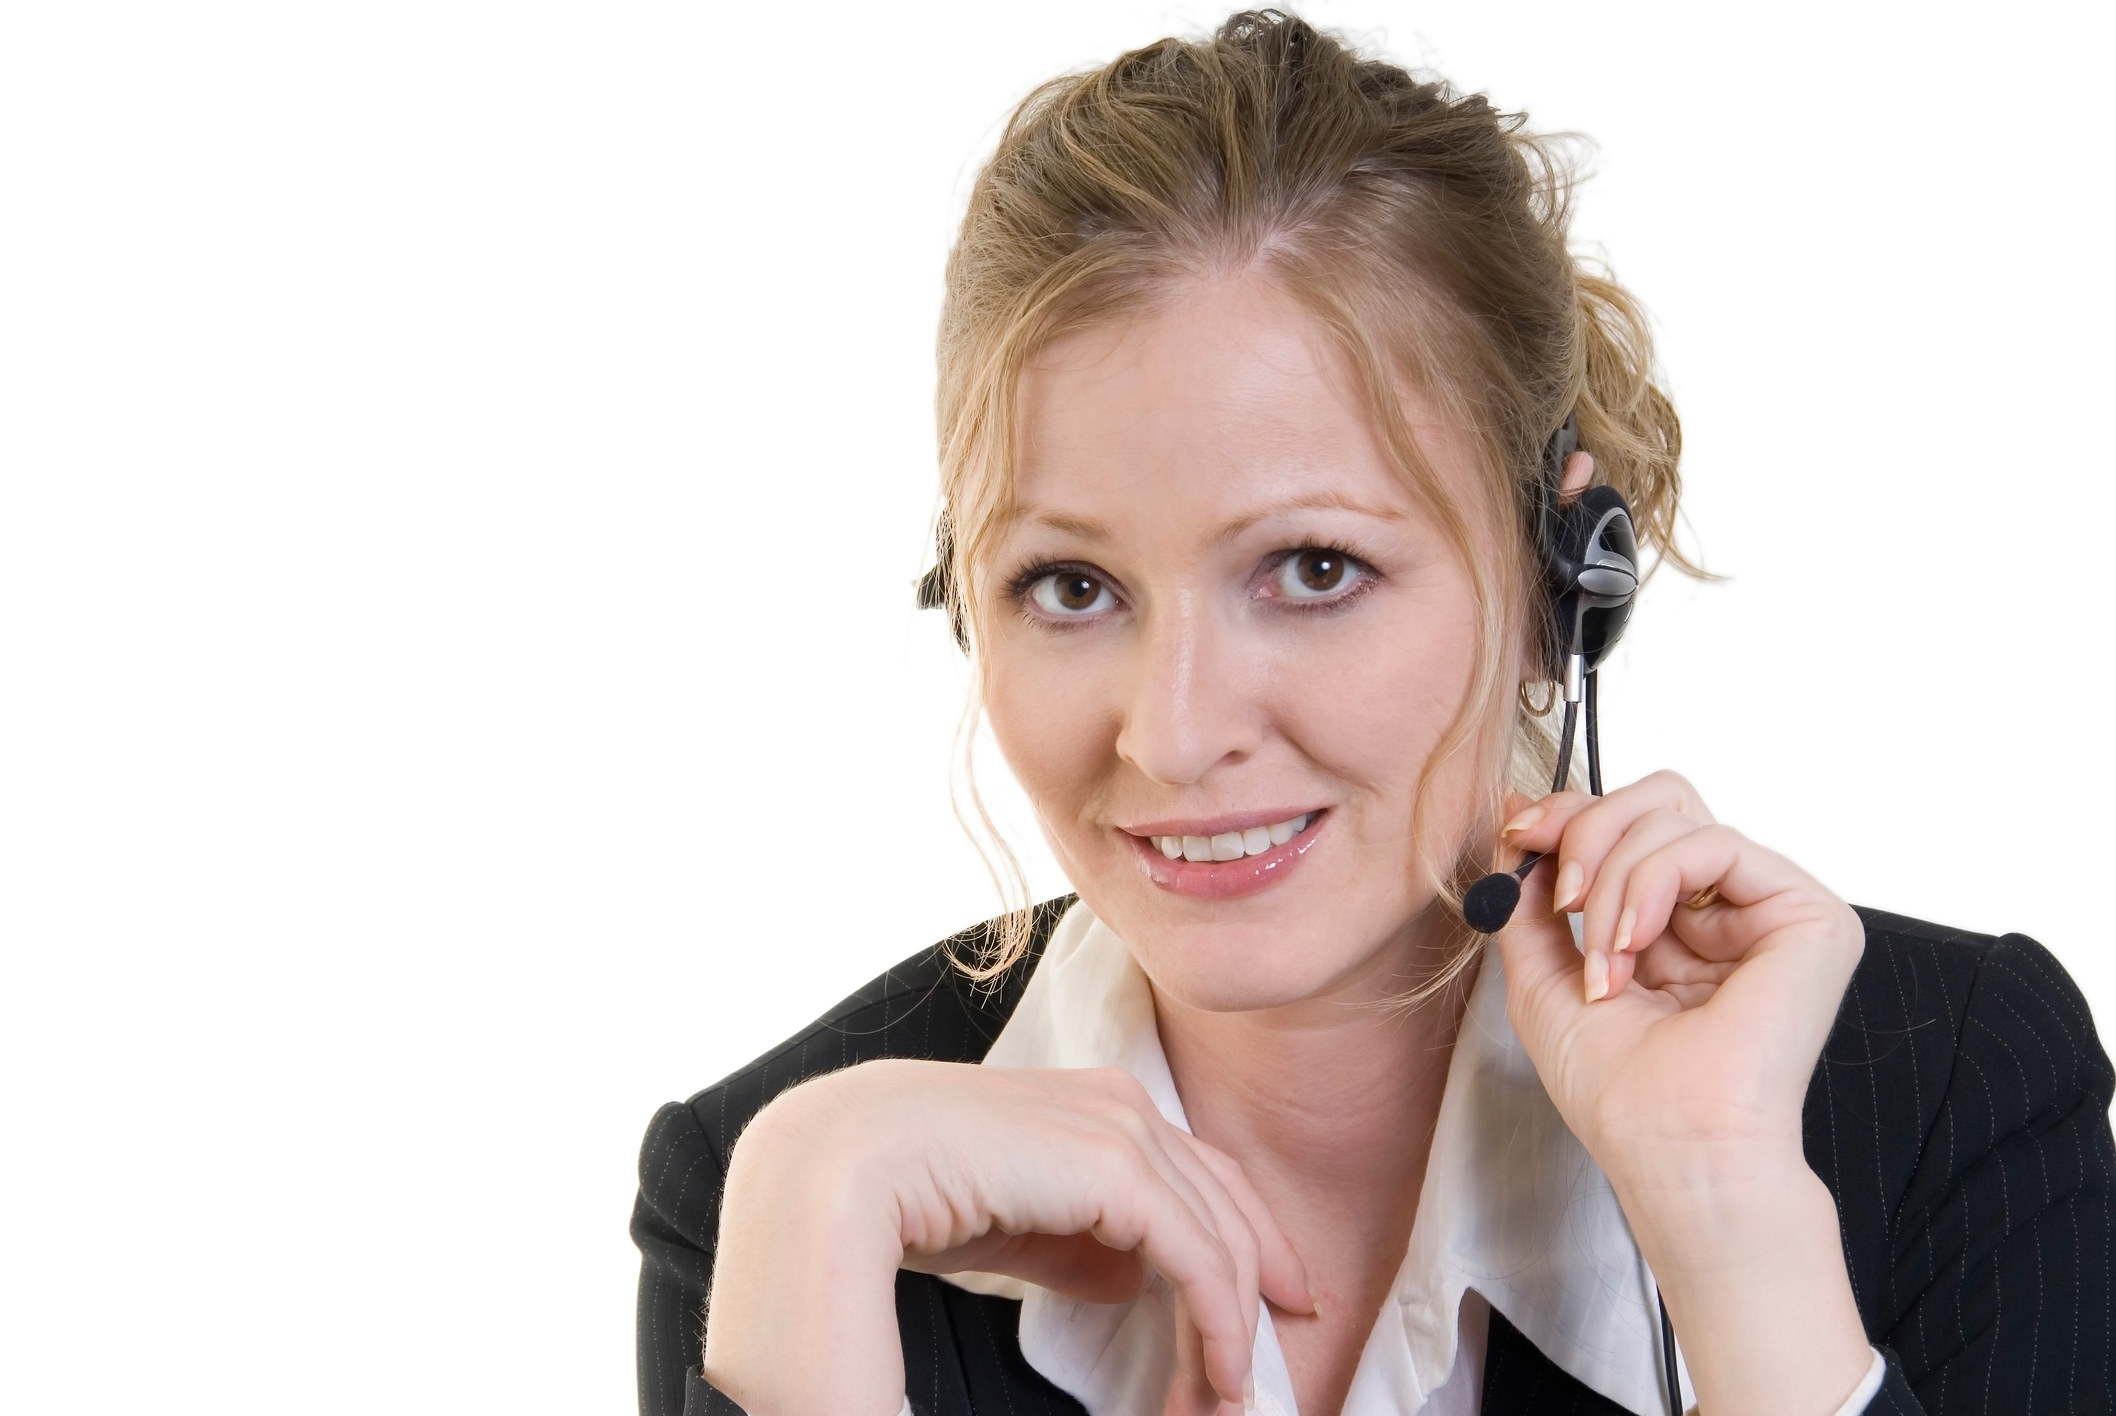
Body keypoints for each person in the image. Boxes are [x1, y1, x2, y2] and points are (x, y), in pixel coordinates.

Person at [632, 13, 2114, 1415]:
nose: (1174, 732)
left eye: (1314, 567)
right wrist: (806, 1230)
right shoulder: (800, 1188)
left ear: (1560, 587)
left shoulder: (1945, 1096)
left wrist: (1737, 1234)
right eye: (1072, 586)